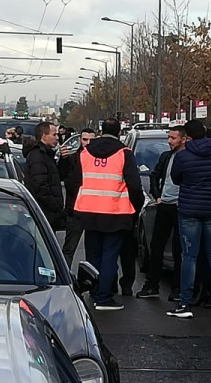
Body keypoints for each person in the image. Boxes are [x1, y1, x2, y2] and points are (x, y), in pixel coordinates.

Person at [64, 118, 144, 311]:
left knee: (93, 255)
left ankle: (93, 289)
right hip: (115, 212)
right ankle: (104, 297)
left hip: (88, 211)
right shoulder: (124, 153)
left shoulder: (85, 152)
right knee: (110, 255)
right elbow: (134, 185)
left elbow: (74, 181)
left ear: (101, 131)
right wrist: (136, 207)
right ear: (118, 132)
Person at [167, 119, 211, 320]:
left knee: (189, 256)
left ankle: (185, 303)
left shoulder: (183, 156)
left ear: (187, 136)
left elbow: (176, 179)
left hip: (189, 210)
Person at [136, 125, 186, 300]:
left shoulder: (187, 158)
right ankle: (152, 285)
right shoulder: (166, 157)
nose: (169, 141)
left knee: (179, 248)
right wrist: (157, 196)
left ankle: (178, 289)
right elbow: (154, 176)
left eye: (173, 138)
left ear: (184, 139)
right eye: (169, 137)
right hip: (164, 206)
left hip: (181, 207)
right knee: (156, 245)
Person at [23, 121, 67, 234]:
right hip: (43, 213)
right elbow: (40, 186)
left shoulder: (46, 154)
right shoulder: (38, 156)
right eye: (54, 134)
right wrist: (55, 207)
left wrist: (64, 160)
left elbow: (57, 176)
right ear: (44, 136)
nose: (57, 138)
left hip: (47, 213)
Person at [61, 128, 96, 268]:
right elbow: (64, 177)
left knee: (94, 251)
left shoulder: (100, 161)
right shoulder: (72, 159)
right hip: (75, 209)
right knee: (69, 248)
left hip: (93, 210)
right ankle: (64, 277)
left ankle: (94, 281)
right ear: (80, 140)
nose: (87, 143)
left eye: (91, 140)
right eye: (84, 139)